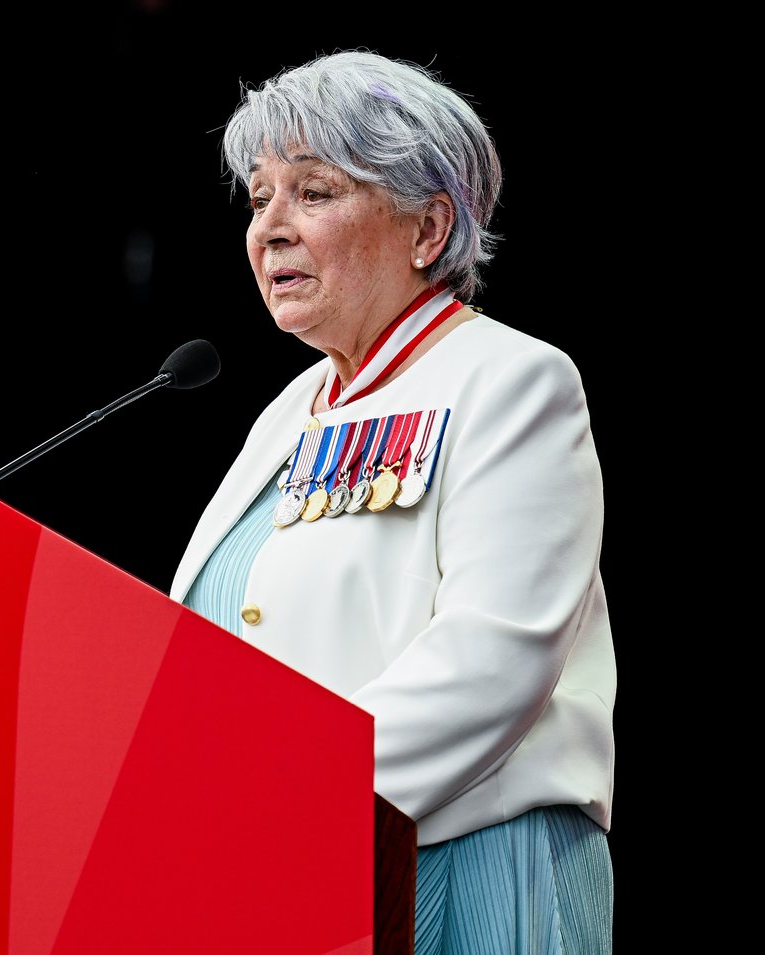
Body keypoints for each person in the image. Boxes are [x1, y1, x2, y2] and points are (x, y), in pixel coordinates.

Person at [170, 51, 614, 952]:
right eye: (259, 199)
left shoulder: (513, 381)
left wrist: (283, 793)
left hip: (457, 866)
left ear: (428, 227)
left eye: (315, 192)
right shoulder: (287, 413)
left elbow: (492, 657)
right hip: (288, 871)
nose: (271, 229)